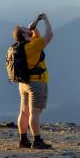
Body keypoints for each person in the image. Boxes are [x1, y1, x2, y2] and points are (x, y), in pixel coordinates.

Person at [12, 13, 54, 149]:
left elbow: (37, 38)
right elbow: (49, 36)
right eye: (26, 31)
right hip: (36, 84)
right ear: (24, 36)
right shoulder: (32, 47)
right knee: (35, 113)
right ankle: (37, 141)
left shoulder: (20, 47)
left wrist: (34, 29)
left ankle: (23, 140)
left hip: (23, 83)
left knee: (24, 112)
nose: (28, 31)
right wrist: (46, 20)